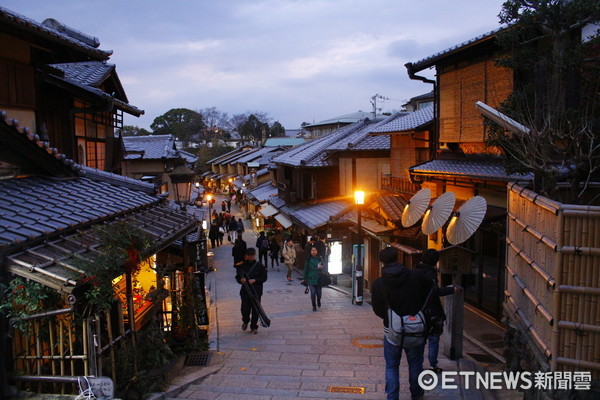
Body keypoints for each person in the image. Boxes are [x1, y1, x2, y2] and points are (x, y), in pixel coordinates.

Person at [371, 247, 434, 400]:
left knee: (392, 365)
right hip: (415, 326)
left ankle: (392, 397)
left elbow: (377, 309)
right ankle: (417, 393)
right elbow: (431, 289)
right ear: (398, 257)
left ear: (382, 262)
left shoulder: (379, 283)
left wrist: (389, 318)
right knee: (415, 364)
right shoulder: (415, 276)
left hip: (391, 330)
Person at [415, 249, 458, 374]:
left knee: (420, 340)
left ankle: (418, 365)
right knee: (433, 339)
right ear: (435, 262)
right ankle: (433, 365)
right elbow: (435, 292)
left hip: (418, 311)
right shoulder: (431, 274)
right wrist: (452, 290)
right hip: (432, 312)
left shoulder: (414, 271)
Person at [235, 248, 268, 334]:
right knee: (244, 309)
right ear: (246, 256)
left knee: (256, 309)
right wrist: (240, 280)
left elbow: (264, 277)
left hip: (256, 291)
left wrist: (255, 280)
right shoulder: (241, 266)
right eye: (250, 255)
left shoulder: (259, 265)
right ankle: (245, 321)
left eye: (253, 255)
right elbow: (237, 277)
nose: (252, 257)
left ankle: (254, 326)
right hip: (245, 291)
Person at [302, 246, 325, 312]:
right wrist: (305, 278)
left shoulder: (320, 258)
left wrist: (322, 267)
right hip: (310, 278)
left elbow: (324, 265)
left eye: (315, 250)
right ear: (310, 252)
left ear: (317, 251)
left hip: (319, 278)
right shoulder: (308, 260)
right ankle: (314, 305)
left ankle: (318, 300)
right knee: (313, 293)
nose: (314, 251)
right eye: (312, 250)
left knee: (319, 293)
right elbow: (306, 269)